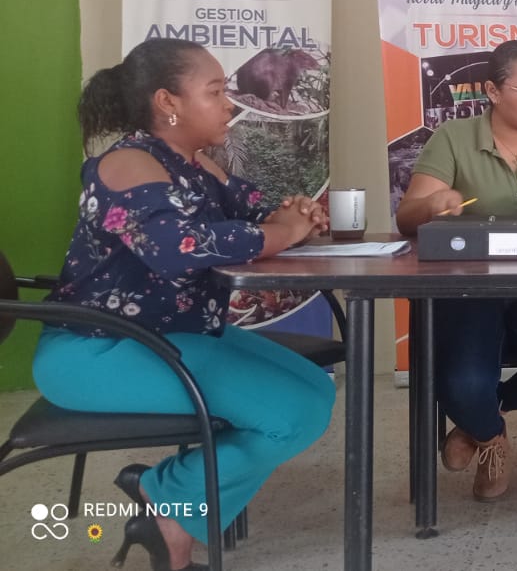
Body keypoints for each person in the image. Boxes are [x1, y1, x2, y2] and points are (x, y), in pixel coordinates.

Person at [34, 38, 334, 570]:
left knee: (316, 391)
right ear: (167, 102)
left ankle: (168, 496)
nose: (229, 104)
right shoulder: (128, 162)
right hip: (96, 350)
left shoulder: (194, 163)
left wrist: (296, 215)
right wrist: (281, 233)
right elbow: (179, 249)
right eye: (215, 91)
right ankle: (169, 504)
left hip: (168, 335)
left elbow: (258, 213)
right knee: (293, 415)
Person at [394, 40, 517, 502]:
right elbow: (407, 218)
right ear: (492, 91)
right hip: (468, 284)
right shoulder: (453, 138)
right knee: (463, 383)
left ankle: (481, 421)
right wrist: (433, 203)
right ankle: (491, 435)